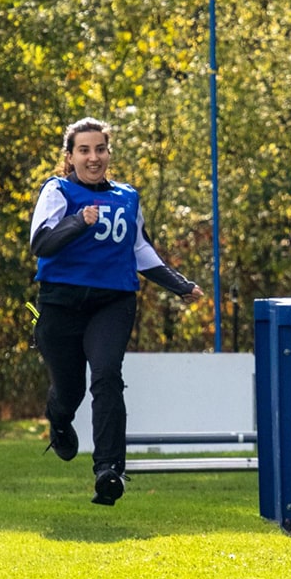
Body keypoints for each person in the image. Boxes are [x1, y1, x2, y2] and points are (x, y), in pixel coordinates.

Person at [29, 117, 203, 506]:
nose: (94, 157)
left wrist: (180, 285)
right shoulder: (58, 190)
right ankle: (58, 418)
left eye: (100, 149)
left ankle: (109, 470)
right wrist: (78, 221)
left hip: (113, 300)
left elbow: (140, 250)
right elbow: (41, 243)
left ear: (109, 153)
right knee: (70, 389)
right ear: (70, 156)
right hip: (61, 303)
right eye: (84, 150)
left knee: (107, 376)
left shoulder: (127, 197)